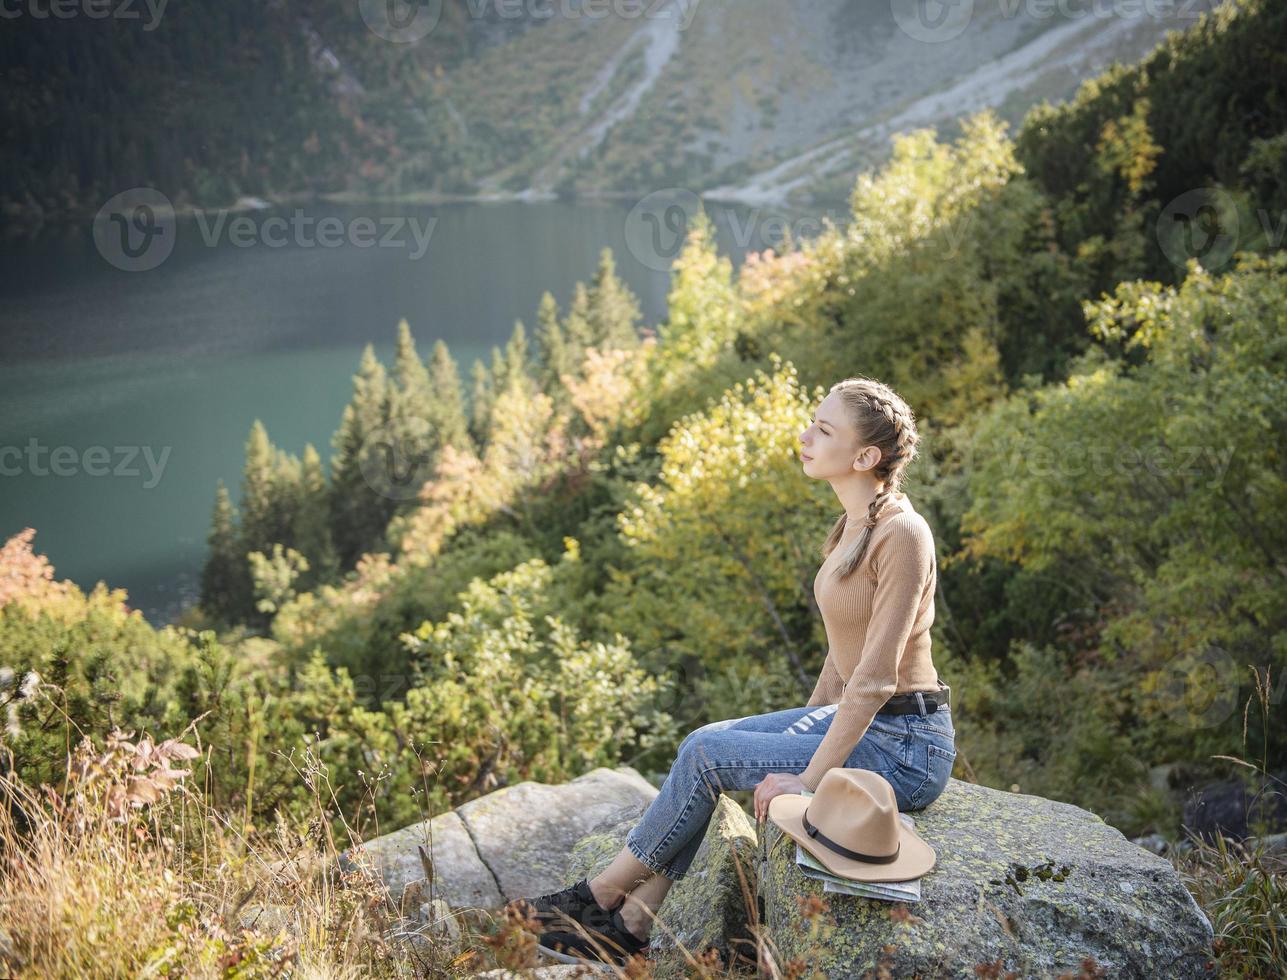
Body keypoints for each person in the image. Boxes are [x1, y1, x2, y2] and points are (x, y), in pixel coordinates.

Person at [511, 376, 957, 968]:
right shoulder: (851, 526)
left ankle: (601, 895)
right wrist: (799, 731)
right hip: (868, 725)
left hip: (907, 745)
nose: (805, 437)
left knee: (707, 759)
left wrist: (808, 776)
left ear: (865, 456)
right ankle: (635, 923)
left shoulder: (905, 534)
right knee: (706, 743)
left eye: (823, 429)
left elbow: (874, 679)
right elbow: (842, 651)